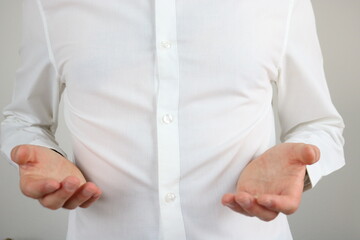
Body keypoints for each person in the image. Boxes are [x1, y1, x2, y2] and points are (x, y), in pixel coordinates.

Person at [0, 0, 345, 239]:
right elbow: (24, 118)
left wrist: (302, 168)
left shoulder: (279, 4)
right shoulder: (50, 6)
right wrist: (41, 153)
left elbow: (319, 124)